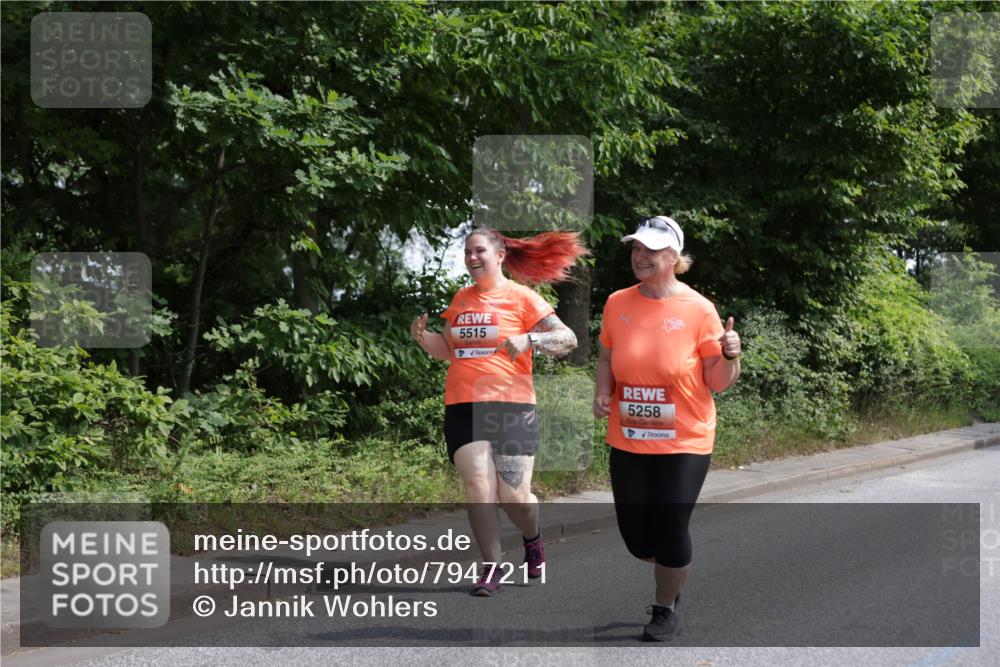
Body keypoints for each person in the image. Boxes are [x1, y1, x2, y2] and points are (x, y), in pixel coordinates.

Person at [411, 226, 585, 596]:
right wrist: (426, 340)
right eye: (467, 252)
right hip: (463, 404)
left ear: (500, 255)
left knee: (515, 499)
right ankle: (492, 567)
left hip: (511, 407)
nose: (472, 258)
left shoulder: (522, 298)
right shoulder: (460, 299)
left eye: (479, 251)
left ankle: (532, 537)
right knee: (478, 485)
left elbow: (568, 339)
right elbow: (450, 349)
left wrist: (531, 339)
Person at [593, 215, 741, 640]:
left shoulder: (699, 309)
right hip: (630, 435)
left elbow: (717, 382)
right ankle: (671, 573)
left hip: (686, 437)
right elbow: (606, 355)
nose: (640, 256)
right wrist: (603, 391)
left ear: (674, 257)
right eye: (636, 249)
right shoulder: (617, 302)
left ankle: (665, 606)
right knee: (639, 539)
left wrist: (731, 356)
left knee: (672, 522)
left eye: (651, 250)